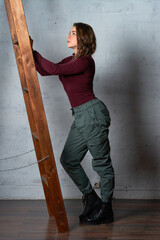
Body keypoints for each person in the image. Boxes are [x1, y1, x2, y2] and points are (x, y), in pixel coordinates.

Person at [30, 22, 115, 225]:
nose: (68, 35)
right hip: (80, 115)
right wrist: (29, 52)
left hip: (92, 113)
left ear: (83, 38)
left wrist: (31, 50)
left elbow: (54, 68)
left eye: (73, 33)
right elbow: (45, 70)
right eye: (69, 32)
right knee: (68, 159)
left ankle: (106, 209)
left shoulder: (85, 61)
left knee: (101, 164)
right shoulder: (71, 59)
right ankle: (92, 199)